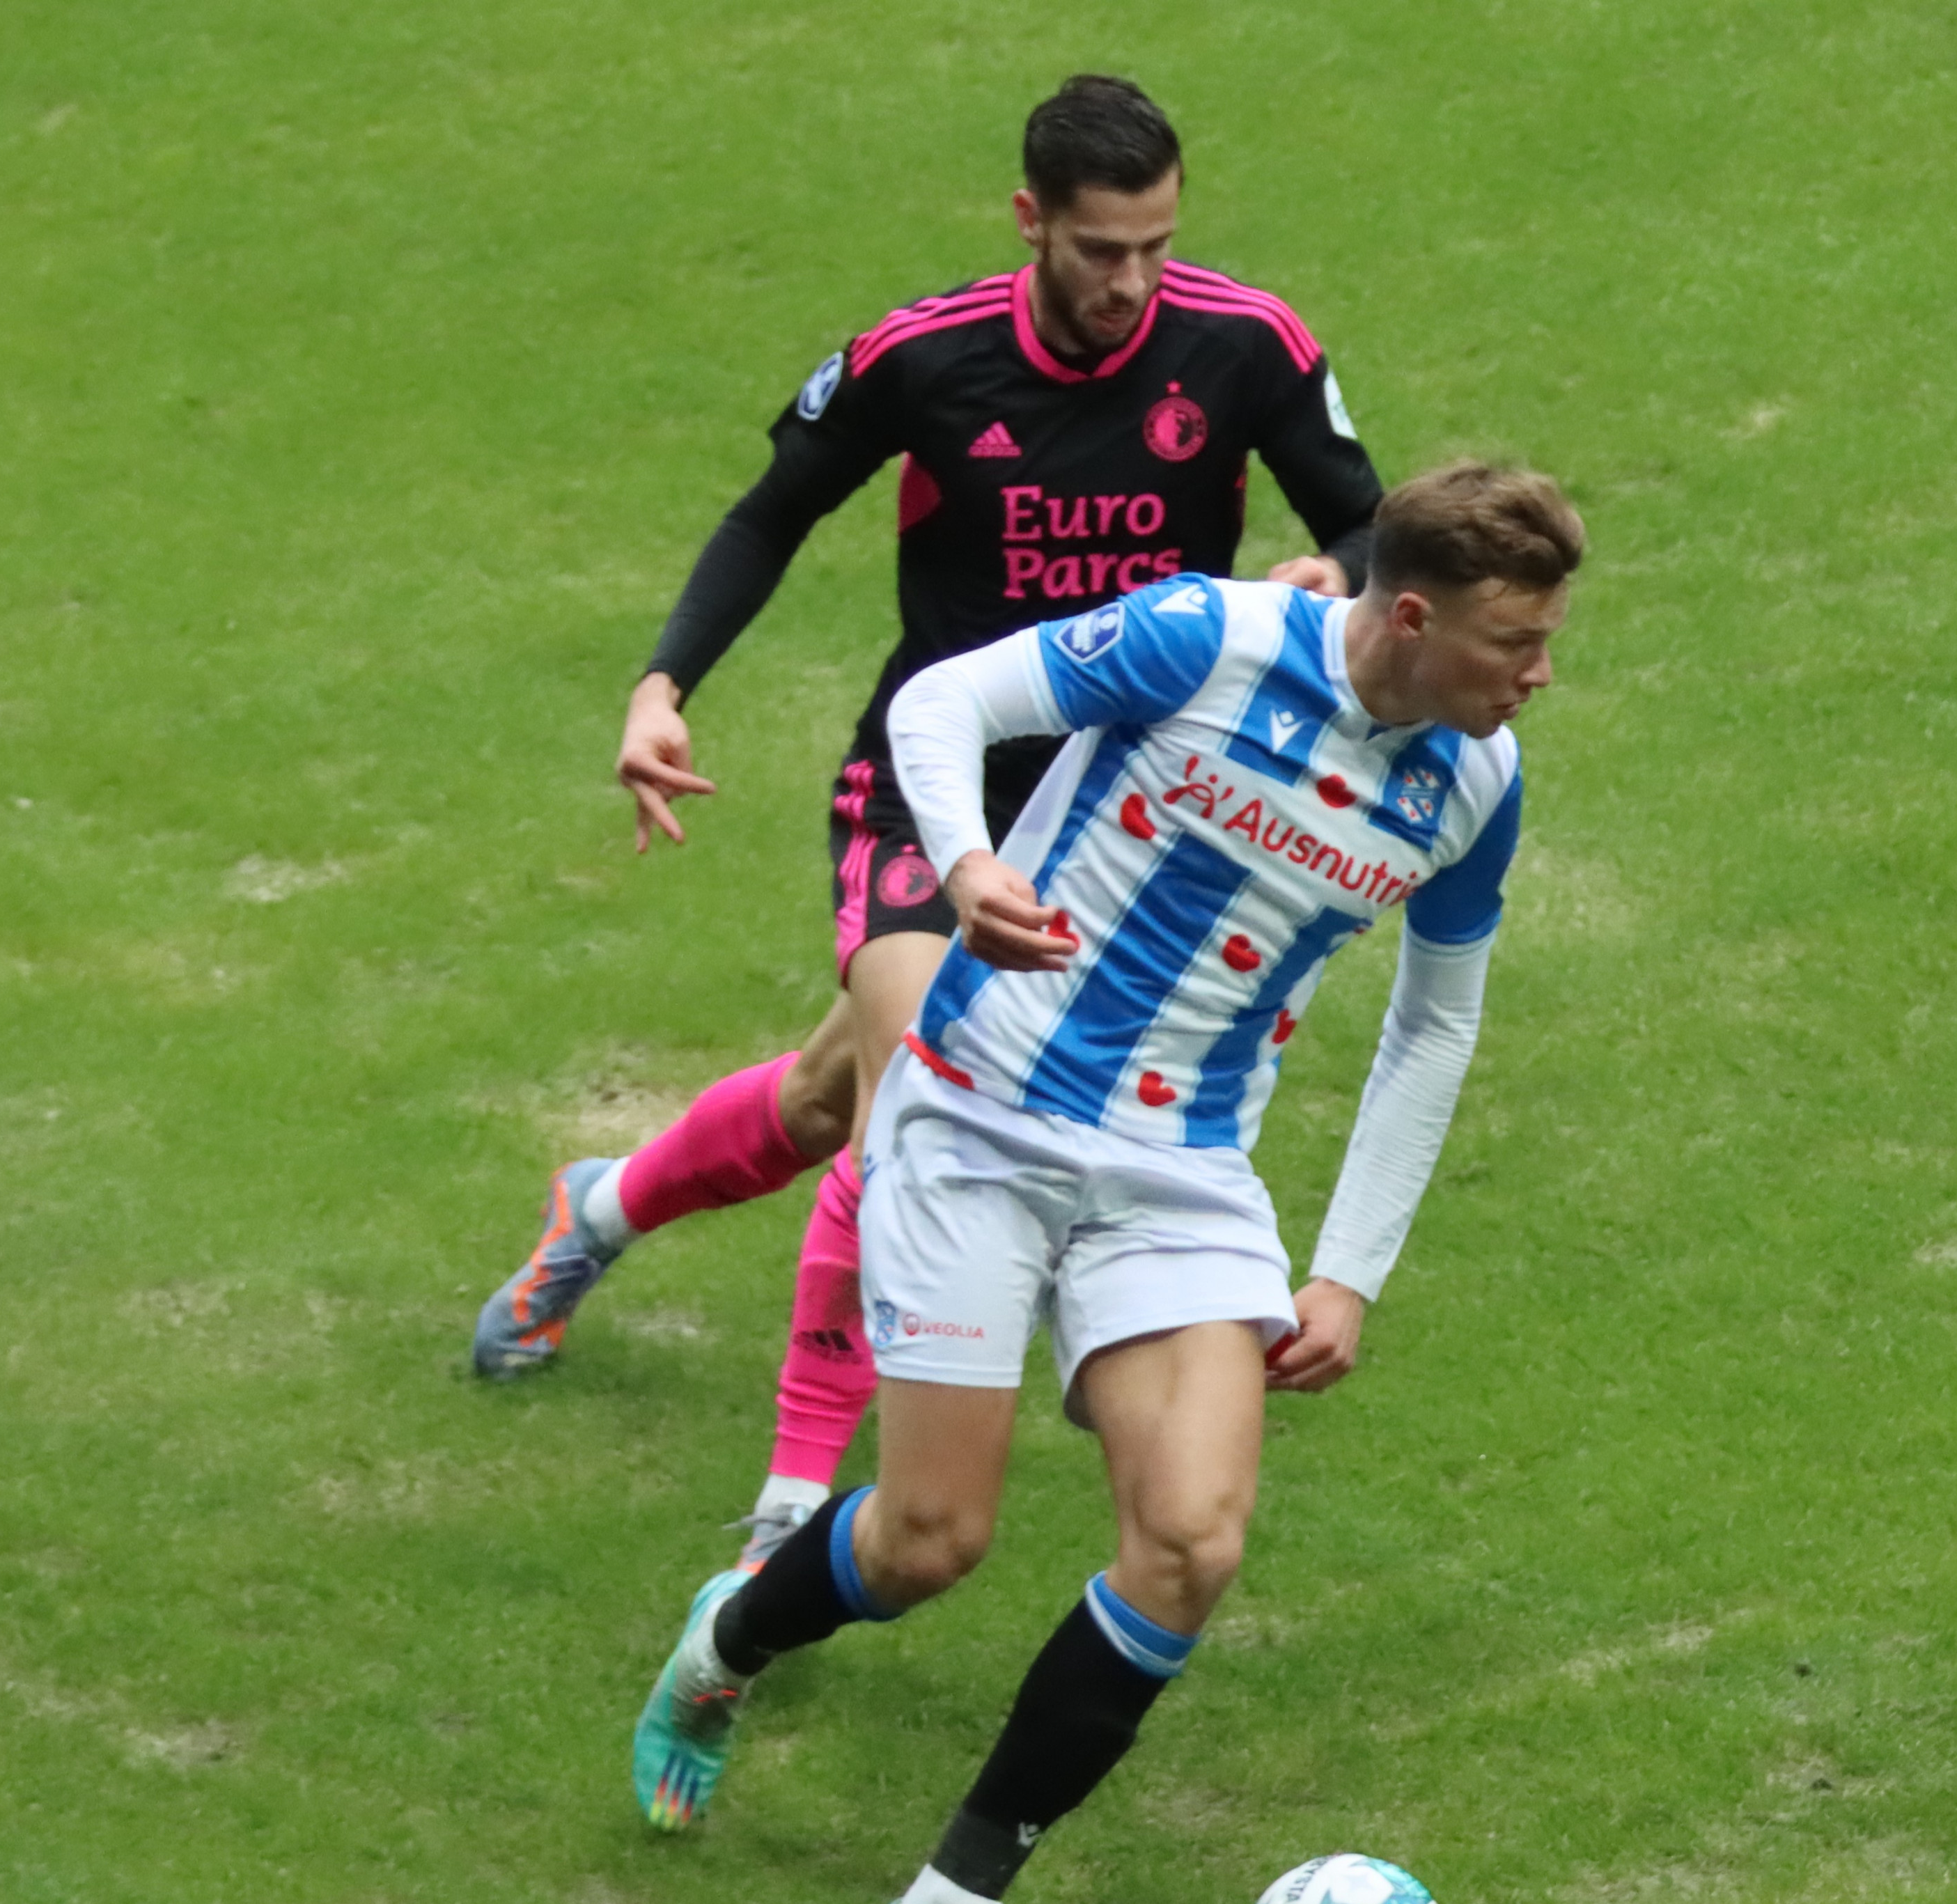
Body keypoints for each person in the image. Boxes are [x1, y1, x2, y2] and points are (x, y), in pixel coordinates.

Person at [630, 462, 1583, 1904]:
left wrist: (1350, 1266)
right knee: (933, 1538)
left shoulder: (1473, 784)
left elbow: (1437, 1019)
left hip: (1181, 1168)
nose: (1540, 674)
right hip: (987, 1107)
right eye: (1515, 643)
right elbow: (943, 704)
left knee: (1194, 1541)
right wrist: (966, 862)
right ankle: (726, 1641)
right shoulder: (1205, 641)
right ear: (1411, 617)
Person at [469, 76, 1385, 1572]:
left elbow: (1370, 523)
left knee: (832, 1096)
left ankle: (606, 1204)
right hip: (938, 788)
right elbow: (773, 511)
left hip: (1133, 827)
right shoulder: (927, 357)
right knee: (918, 1110)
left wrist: (1324, 580)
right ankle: (791, 1505)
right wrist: (660, 686)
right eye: (1099, 249)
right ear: (1031, 220)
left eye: (1156, 244)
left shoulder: (1247, 345)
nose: (1131, 283)